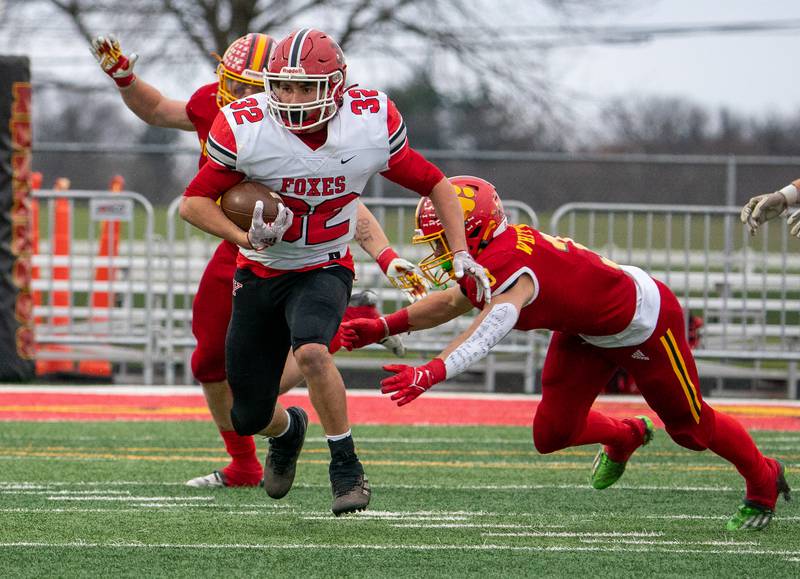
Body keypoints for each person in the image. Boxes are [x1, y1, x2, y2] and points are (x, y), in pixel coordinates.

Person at [340, 175, 791, 530]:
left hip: (642, 323)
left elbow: (489, 328)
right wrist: (384, 325)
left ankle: (762, 477)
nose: (439, 250)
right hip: (585, 330)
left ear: (473, 229)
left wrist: (432, 372)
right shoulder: (488, 254)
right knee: (551, 434)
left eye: (444, 238)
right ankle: (625, 435)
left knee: (690, 430)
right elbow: (456, 300)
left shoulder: (506, 263)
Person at [90, 32, 426, 491]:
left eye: (256, 87)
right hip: (238, 246)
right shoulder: (222, 108)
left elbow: (339, 199)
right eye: (237, 84)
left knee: (304, 354)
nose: (249, 97)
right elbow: (158, 112)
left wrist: (385, 254)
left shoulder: (304, 119)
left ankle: (336, 337)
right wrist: (125, 78)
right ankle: (248, 457)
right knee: (211, 365)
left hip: (303, 254)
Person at [179, 29, 490, 515]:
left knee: (312, 351)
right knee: (247, 414)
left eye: (306, 88)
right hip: (260, 270)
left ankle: (346, 468)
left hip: (325, 264)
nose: (292, 98)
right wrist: (245, 238)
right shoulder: (245, 125)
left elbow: (435, 184)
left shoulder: (367, 122)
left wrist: (461, 253)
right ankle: (288, 430)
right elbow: (193, 203)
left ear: (338, 85)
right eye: (283, 86)